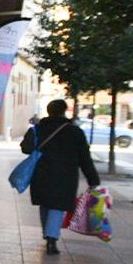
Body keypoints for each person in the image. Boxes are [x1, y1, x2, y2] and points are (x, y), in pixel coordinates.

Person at [20, 98, 100, 255]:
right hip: (66, 176)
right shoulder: (75, 132)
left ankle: (48, 235)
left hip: (41, 173)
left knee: (45, 204)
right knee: (58, 207)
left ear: (48, 111)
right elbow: (85, 158)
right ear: (64, 111)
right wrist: (93, 179)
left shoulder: (38, 129)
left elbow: (26, 149)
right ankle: (52, 239)